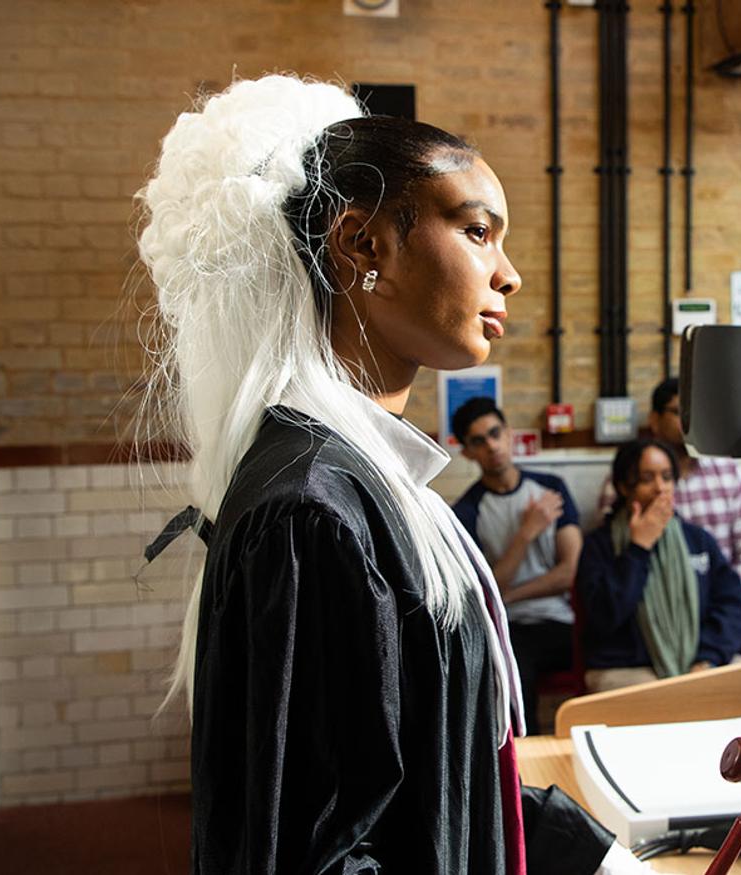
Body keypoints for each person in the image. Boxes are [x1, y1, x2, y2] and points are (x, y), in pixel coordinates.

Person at [136, 75, 658, 874]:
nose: (510, 274)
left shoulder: (365, 474)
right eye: (479, 230)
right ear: (362, 245)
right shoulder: (311, 510)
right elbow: (321, 855)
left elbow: (436, 778)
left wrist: (612, 864)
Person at [599, 378, 741, 658]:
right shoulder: (626, 481)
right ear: (655, 420)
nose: (689, 422)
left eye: (697, 413)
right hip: (661, 612)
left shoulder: (726, 471)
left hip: (727, 607)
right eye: (678, 412)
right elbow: (612, 561)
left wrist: (725, 606)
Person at [451, 396, 581, 735]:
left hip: (559, 618)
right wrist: (526, 532)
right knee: (510, 670)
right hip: (509, 627)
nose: (492, 446)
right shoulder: (467, 511)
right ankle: (527, 766)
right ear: (467, 452)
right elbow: (483, 589)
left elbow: (570, 572)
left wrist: (508, 594)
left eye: (495, 433)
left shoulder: (551, 488)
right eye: (478, 441)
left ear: (509, 434)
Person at [578, 439, 741, 692]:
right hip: (627, 668)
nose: (660, 488)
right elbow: (605, 616)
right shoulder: (598, 545)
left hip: (698, 661)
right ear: (624, 487)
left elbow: (730, 605)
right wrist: (638, 549)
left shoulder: (698, 540)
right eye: (647, 479)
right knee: (666, 697)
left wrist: (708, 658)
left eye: (667, 478)